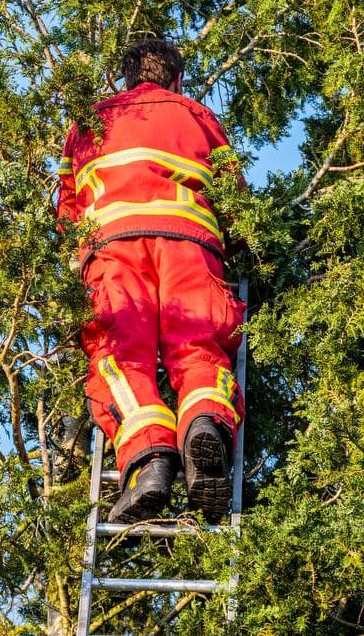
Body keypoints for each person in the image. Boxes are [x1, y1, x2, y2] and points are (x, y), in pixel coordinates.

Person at [57, 38, 245, 523]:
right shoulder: (199, 116)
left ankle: (150, 462)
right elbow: (237, 199)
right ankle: (203, 425)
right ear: (177, 79)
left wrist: (77, 254)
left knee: (119, 359)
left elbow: (68, 205)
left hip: (114, 251)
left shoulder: (90, 121)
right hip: (191, 247)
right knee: (201, 351)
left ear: (125, 79)